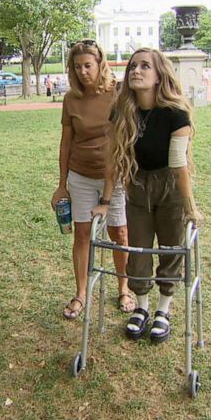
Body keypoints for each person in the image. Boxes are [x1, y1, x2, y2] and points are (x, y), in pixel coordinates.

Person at [93, 48, 201, 345]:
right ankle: (141, 308)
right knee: (138, 250)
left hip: (170, 187)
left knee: (170, 248)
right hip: (137, 185)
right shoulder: (122, 111)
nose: (136, 71)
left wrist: (190, 207)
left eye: (144, 67)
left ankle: (163, 311)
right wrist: (104, 202)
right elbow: (113, 161)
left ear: (158, 76)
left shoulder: (176, 113)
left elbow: (178, 164)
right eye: (132, 67)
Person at [53, 40, 132, 320]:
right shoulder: (70, 100)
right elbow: (65, 143)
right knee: (82, 234)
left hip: (115, 177)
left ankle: (124, 287)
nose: (83, 71)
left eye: (88, 65)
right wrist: (62, 184)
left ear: (100, 64)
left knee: (119, 233)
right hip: (80, 176)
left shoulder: (118, 93)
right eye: (77, 67)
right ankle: (81, 293)